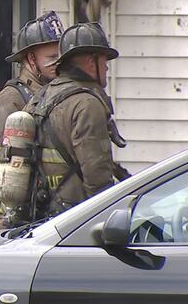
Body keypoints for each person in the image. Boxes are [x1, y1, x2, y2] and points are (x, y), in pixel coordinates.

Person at [24, 22, 127, 218]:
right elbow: (98, 179)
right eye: (103, 61)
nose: (106, 67)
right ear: (91, 62)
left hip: (40, 215)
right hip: (74, 219)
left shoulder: (41, 97)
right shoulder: (87, 104)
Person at [0, 11, 63, 229]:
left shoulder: (51, 95)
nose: (58, 63)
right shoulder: (11, 99)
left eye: (60, 56)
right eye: (51, 57)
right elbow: (4, 167)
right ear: (31, 59)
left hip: (40, 213)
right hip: (10, 221)